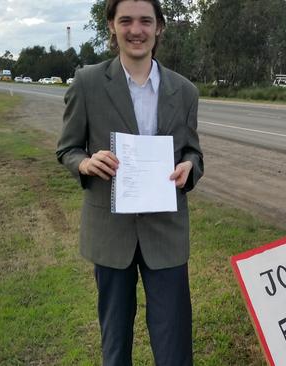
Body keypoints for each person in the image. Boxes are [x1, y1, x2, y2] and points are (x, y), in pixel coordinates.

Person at [56, 0, 203, 364]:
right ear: (111, 25)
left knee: (174, 343)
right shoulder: (87, 82)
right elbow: (67, 149)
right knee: (115, 342)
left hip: (165, 232)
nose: (136, 30)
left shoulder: (185, 91)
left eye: (145, 21)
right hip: (111, 232)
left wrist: (189, 168)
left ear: (159, 27)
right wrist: (86, 163)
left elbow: (193, 153)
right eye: (126, 21)